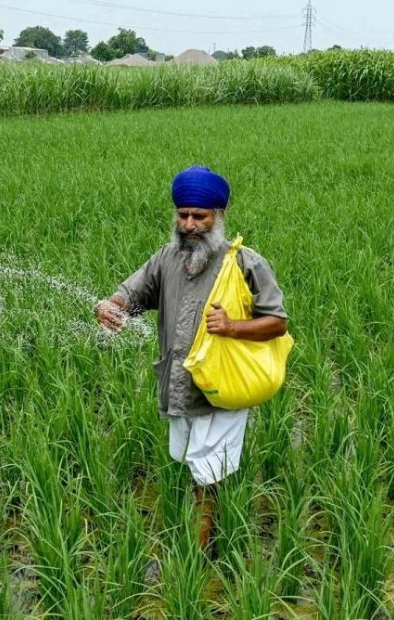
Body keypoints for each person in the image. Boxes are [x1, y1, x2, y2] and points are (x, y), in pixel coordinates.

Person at [95, 166, 289, 550]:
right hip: (179, 382)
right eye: (183, 215)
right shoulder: (167, 257)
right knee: (189, 461)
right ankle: (203, 524)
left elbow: (277, 322)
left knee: (206, 472)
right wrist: (112, 306)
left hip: (222, 386)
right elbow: (134, 293)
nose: (189, 224)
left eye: (199, 216)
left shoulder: (246, 263)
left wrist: (233, 326)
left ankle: (200, 552)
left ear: (219, 215)